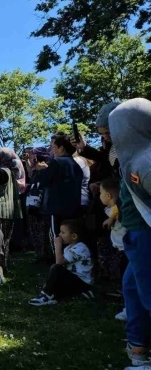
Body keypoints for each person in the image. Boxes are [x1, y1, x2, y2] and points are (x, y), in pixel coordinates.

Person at [107, 98, 151, 369]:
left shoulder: (146, 161)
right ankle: (139, 349)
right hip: (136, 235)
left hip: (146, 236)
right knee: (133, 290)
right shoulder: (134, 158)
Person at [28, 219, 94, 306]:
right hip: (73, 281)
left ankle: (47, 295)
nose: (59, 235)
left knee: (56, 268)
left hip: (82, 282)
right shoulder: (68, 248)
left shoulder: (80, 248)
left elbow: (59, 262)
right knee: (54, 280)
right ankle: (70, 294)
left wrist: (57, 245)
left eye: (63, 232)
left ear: (74, 236)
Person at [38, 133, 83, 254]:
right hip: (74, 207)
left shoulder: (56, 162)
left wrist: (42, 170)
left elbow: (43, 182)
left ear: (61, 148)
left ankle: (59, 263)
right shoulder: (76, 165)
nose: (52, 150)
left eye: (53, 147)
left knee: (58, 237)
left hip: (57, 209)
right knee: (73, 238)